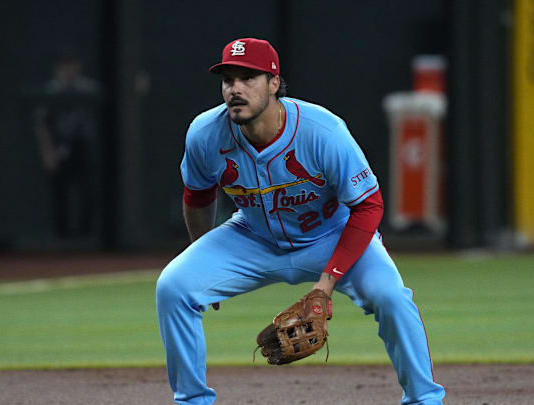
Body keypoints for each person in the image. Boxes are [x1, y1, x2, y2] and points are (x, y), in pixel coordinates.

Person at [155, 38, 445, 405]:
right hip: (253, 236)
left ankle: (425, 400)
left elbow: (368, 206)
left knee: (391, 297)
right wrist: (202, 263)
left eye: (248, 78)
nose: (235, 89)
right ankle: (192, 401)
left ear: (274, 83)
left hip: (330, 235)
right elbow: (197, 196)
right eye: (228, 80)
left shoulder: (322, 131)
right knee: (174, 287)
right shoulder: (205, 133)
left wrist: (326, 285)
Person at [33, 54, 99, 238]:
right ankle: (61, 240)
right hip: (58, 149)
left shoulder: (88, 89)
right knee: (59, 194)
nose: (69, 71)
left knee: (88, 191)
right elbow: (41, 125)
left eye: (72, 65)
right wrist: (48, 153)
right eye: (65, 66)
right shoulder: (51, 92)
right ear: (58, 69)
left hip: (83, 149)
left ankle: (87, 238)